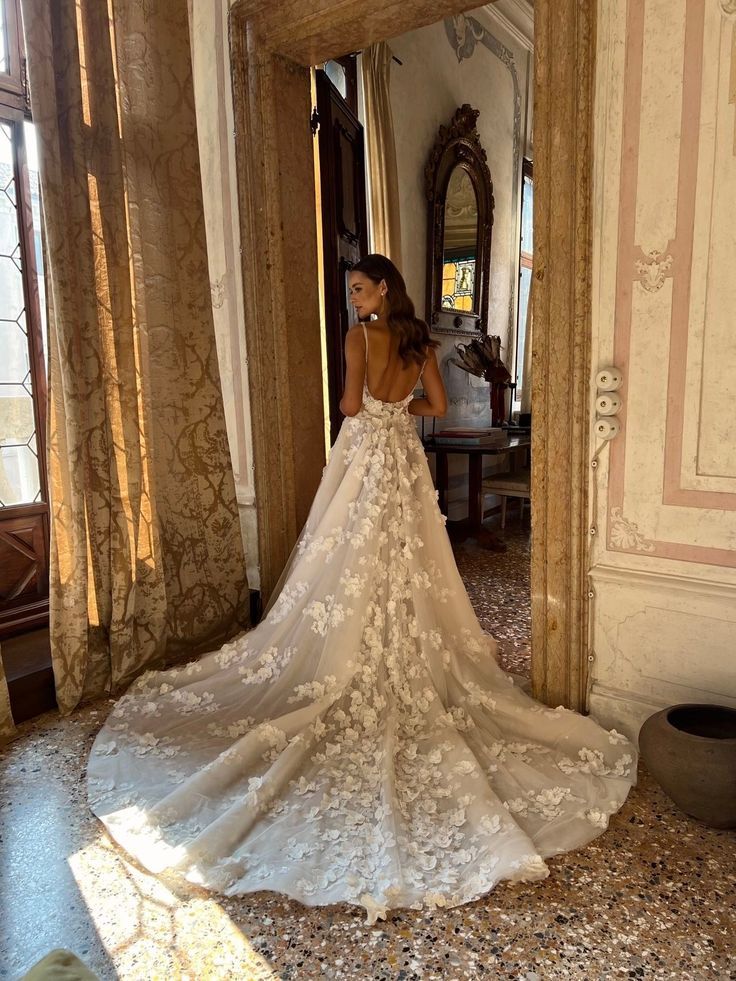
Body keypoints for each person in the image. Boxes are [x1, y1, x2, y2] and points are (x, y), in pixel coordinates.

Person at [88, 254, 637, 925]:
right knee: (409, 559)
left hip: (363, 458)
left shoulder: (360, 338)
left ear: (382, 289)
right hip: (402, 457)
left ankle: (347, 655)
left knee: (345, 558)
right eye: (350, 290)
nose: (352, 299)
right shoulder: (418, 342)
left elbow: (349, 404)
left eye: (358, 288)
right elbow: (433, 404)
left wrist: (369, 402)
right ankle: (406, 654)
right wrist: (400, 404)